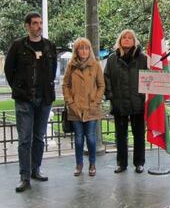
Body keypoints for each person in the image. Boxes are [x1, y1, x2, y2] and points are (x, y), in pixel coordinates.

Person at [4, 11, 57, 192]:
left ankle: (36, 169)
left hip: (44, 100)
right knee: (25, 139)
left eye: (40, 23)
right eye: (34, 23)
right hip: (24, 100)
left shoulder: (50, 46)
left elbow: (53, 70)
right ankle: (24, 176)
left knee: (39, 138)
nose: (39, 26)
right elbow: (9, 70)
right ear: (27, 26)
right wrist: (19, 90)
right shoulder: (18, 46)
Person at [104, 29, 147, 174]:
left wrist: (144, 96)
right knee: (120, 135)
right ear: (120, 41)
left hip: (137, 103)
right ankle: (121, 163)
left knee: (139, 134)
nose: (127, 40)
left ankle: (139, 163)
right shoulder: (112, 59)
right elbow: (106, 78)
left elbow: (149, 78)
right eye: (124, 38)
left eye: (130, 38)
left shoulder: (143, 58)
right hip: (119, 103)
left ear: (135, 41)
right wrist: (111, 96)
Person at [62, 38, 105, 177]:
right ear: (76, 51)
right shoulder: (71, 66)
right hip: (75, 109)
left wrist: (96, 101)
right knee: (79, 138)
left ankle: (92, 164)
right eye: (81, 48)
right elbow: (65, 85)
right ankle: (79, 164)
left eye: (86, 48)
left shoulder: (96, 65)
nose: (84, 51)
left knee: (91, 138)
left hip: (91, 108)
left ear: (89, 50)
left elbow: (101, 85)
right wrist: (70, 102)